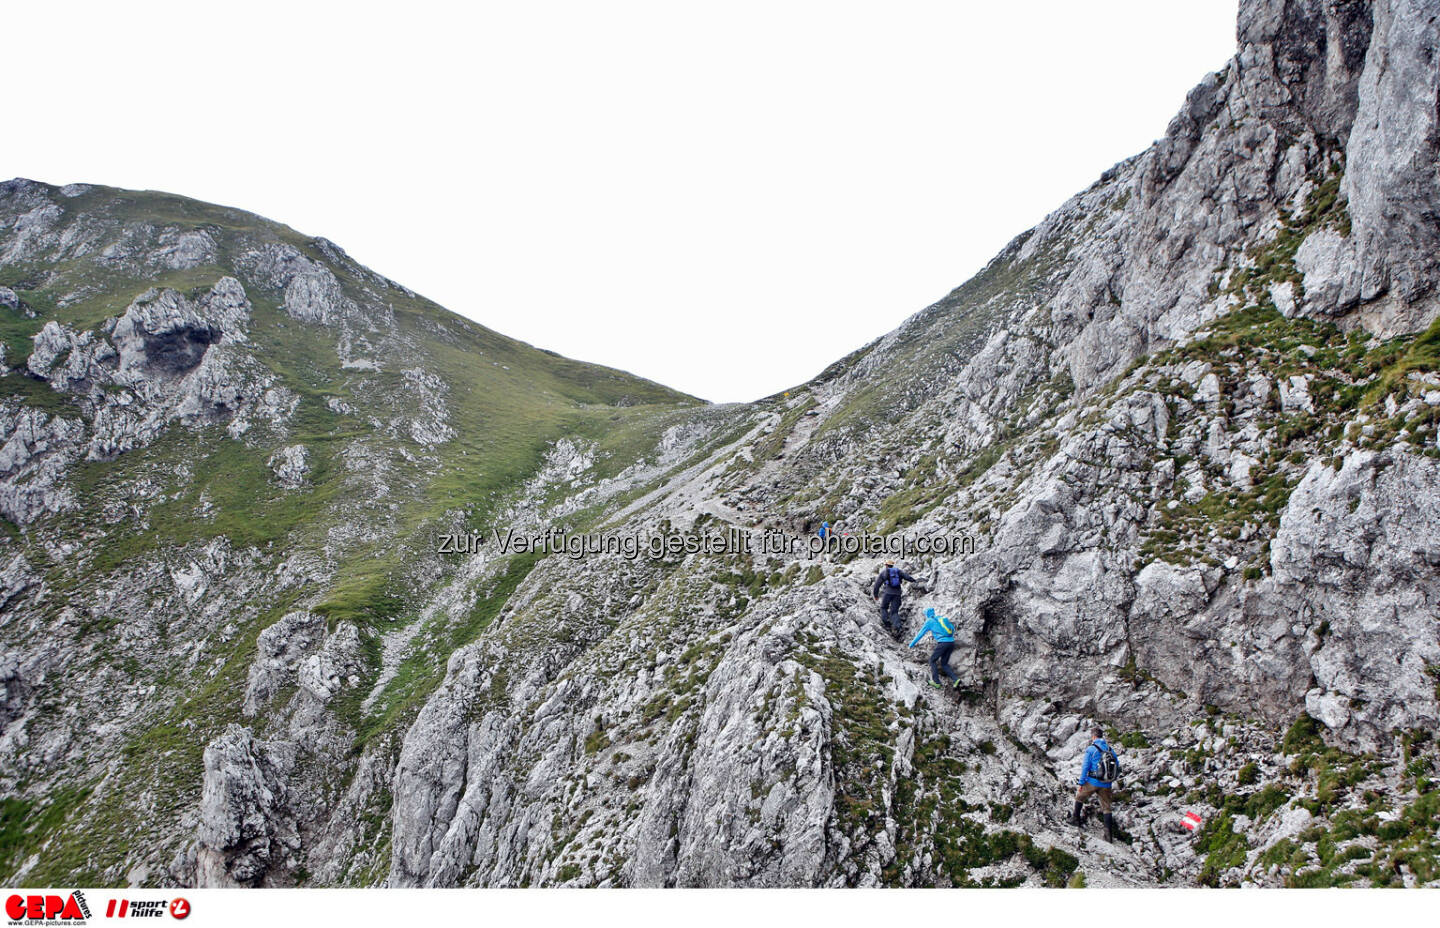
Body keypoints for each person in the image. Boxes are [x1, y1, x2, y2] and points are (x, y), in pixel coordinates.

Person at [1071, 726, 1120, 841]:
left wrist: (1081, 783)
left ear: (1093, 736)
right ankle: (1108, 835)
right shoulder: (1109, 749)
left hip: (1092, 781)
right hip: (1106, 783)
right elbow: (1117, 764)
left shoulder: (1091, 749)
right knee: (1107, 808)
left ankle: (1075, 819)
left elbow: (1085, 768)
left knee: (1079, 797)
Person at [908, 607, 961, 689]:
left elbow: (920, 634)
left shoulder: (929, 621)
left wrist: (911, 644)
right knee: (944, 664)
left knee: (932, 660)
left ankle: (936, 682)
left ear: (927, 614)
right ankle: (956, 679)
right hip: (951, 642)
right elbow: (952, 628)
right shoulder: (940, 618)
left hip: (943, 643)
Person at [870, 560, 916, 637]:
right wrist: (914, 581)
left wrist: (875, 595)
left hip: (888, 593)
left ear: (886, 565)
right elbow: (907, 577)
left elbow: (877, 585)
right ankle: (897, 627)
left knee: (884, 607)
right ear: (892, 565)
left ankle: (887, 623)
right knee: (894, 612)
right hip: (897, 593)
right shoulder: (898, 571)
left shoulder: (884, 573)